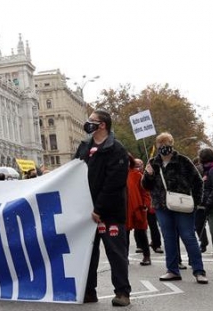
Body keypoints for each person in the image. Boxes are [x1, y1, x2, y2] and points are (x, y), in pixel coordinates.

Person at [73, 110, 131, 306]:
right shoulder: (84, 147)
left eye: (91, 121)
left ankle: (122, 292)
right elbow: (73, 174)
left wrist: (99, 209)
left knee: (116, 253)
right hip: (87, 211)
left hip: (110, 212)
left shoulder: (116, 149)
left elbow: (114, 184)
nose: (87, 123)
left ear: (102, 125)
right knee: (89, 254)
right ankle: (89, 291)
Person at [142, 132, 207, 284]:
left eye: (167, 145)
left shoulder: (183, 161)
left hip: (183, 205)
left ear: (172, 144)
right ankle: (172, 270)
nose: (164, 148)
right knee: (168, 238)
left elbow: (198, 182)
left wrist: (196, 202)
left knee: (188, 236)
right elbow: (146, 186)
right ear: (157, 146)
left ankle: (199, 271)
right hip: (162, 206)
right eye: (161, 145)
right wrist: (148, 175)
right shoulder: (153, 162)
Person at [126, 155, 151, 266]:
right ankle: (124, 257)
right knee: (124, 235)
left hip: (138, 208)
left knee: (141, 233)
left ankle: (146, 256)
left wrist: (146, 205)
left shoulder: (137, 175)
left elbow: (145, 192)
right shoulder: (115, 175)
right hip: (124, 209)